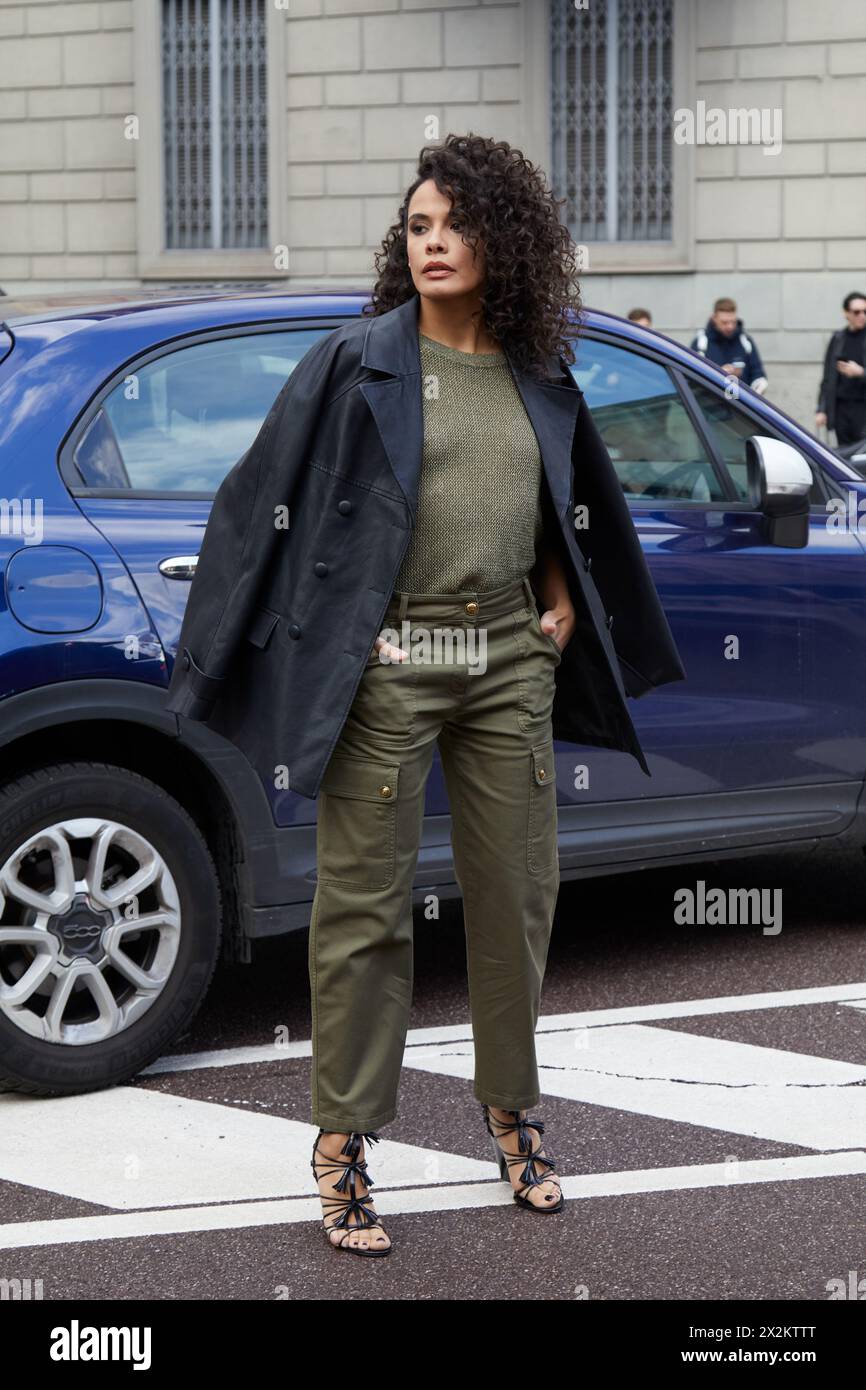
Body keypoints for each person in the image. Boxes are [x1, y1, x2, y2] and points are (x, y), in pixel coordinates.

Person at [163, 132, 686, 1260]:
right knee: (365, 909)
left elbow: (559, 500)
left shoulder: (537, 369)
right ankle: (343, 1141)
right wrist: (262, 653)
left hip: (503, 659)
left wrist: (553, 604)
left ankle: (511, 1110)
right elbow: (256, 507)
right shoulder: (357, 363)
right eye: (417, 227)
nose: (433, 243)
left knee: (516, 898)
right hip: (395, 665)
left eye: (453, 224)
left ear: (504, 241)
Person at [816, 291, 866, 447]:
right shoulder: (838, 338)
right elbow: (827, 377)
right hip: (841, 410)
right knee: (844, 457)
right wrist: (822, 409)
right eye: (856, 312)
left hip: (862, 409)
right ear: (846, 313)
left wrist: (861, 372)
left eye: (865, 311)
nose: (862, 316)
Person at [691, 297, 769, 395]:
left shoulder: (745, 341)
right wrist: (719, 374)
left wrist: (759, 385)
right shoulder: (701, 343)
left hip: (742, 406)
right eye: (724, 322)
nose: (730, 326)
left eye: (733, 322)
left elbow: (757, 372)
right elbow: (692, 377)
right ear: (714, 318)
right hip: (709, 407)